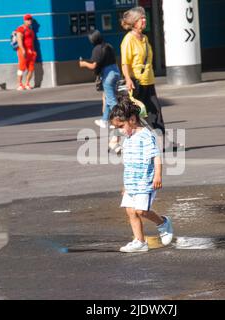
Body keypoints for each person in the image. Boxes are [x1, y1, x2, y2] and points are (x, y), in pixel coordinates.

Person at [109, 97, 173, 253]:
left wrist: (158, 175)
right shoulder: (128, 138)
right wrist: (125, 184)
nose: (121, 131)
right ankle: (139, 241)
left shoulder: (146, 135)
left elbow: (156, 155)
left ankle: (163, 223)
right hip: (131, 181)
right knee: (130, 211)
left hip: (146, 181)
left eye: (122, 126)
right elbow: (128, 162)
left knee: (141, 211)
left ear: (132, 119)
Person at [120, 7, 166, 148]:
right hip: (136, 84)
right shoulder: (128, 40)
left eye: (145, 18)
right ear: (134, 22)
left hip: (149, 82)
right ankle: (124, 142)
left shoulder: (145, 39)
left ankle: (163, 142)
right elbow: (125, 63)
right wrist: (128, 79)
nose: (144, 20)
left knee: (156, 113)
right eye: (141, 19)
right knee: (133, 115)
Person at [79, 30, 120, 129]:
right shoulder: (109, 46)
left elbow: (93, 65)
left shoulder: (97, 49)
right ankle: (105, 120)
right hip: (116, 71)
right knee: (107, 97)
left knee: (111, 100)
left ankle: (120, 121)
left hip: (108, 74)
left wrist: (83, 64)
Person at [16, 14, 37, 91]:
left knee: (31, 68)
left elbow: (32, 41)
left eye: (30, 19)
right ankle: (20, 84)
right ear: (24, 20)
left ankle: (27, 83)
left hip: (31, 51)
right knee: (21, 68)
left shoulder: (30, 29)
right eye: (27, 19)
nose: (29, 21)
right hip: (23, 51)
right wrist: (23, 50)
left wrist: (33, 51)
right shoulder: (21, 29)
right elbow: (19, 40)